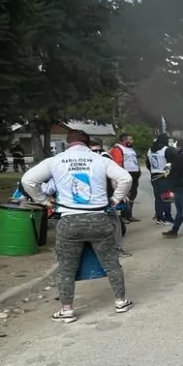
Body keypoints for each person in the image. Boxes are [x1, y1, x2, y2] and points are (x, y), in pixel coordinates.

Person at [21, 130, 133, 323]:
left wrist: (43, 200)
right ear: (88, 143)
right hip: (99, 219)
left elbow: (28, 180)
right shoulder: (100, 160)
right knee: (111, 263)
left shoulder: (55, 160)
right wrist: (114, 199)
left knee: (66, 268)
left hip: (69, 221)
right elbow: (126, 178)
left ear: (68, 143)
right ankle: (121, 301)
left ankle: (67, 310)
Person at [91, 140, 131, 257]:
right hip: (90, 198)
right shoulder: (87, 159)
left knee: (114, 222)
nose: (97, 152)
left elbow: (115, 178)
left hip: (106, 196)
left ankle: (116, 248)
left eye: (99, 150)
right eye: (94, 150)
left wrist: (119, 194)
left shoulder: (104, 158)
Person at [109, 133, 141, 222]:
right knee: (124, 195)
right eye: (130, 140)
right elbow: (117, 163)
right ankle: (122, 216)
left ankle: (129, 214)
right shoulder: (117, 148)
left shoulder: (130, 149)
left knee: (132, 195)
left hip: (134, 174)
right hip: (125, 174)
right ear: (124, 140)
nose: (132, 141)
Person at [146, 133, 176, 225]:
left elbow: (148, 164)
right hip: (165, 176)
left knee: (158, 198)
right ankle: (168, 218)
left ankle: (159, 218)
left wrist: (153, 171)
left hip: (154, 176)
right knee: (167, 197)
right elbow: (174, 162)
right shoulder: (167, 150)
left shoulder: (150, 150)